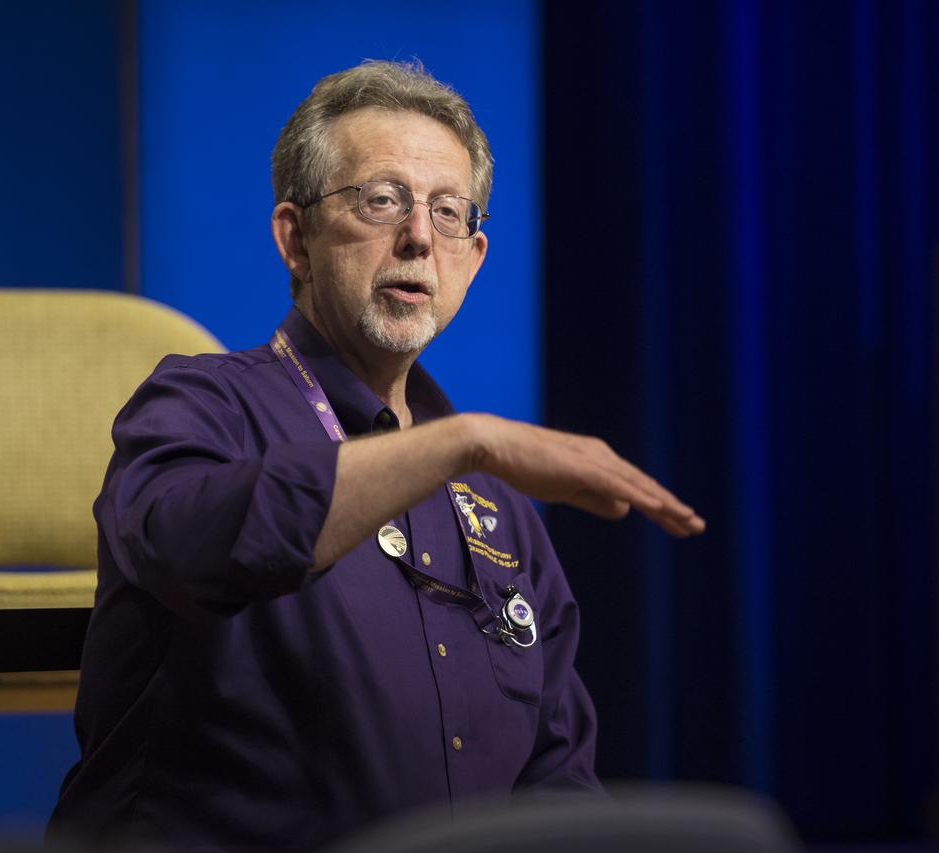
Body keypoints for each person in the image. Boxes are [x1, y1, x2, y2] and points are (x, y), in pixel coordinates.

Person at [48, 60, 704, 851]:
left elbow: (558, 778)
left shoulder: (497, 508)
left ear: (474, 257)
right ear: (296, 238)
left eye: (449, 212)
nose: (419, 237)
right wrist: (464, 440)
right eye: (382, 199)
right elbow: (193, 548)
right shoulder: (200, 407)